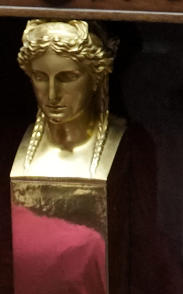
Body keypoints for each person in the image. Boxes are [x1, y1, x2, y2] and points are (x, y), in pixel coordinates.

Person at [14, 19, 123, 179]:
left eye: (67, 77)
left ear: (96, 78)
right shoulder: (15, 143)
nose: (52, 95)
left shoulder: (125, 145)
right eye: (40, 77)